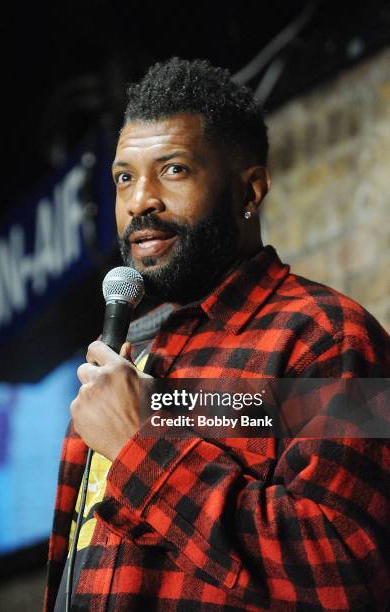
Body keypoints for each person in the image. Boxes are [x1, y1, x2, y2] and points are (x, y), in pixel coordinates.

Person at [44, 58, 390, 611]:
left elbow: (347, 573)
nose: (139, 201)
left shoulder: (328, 337)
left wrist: (144, 449)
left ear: (250, 190)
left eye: (174, 170)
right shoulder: (120, 358)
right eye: (124, 177)